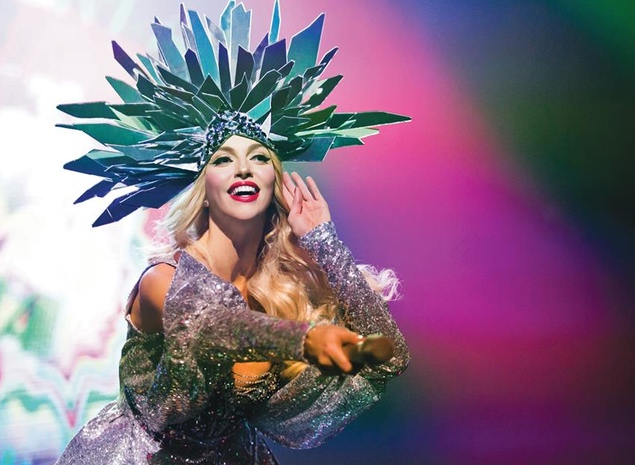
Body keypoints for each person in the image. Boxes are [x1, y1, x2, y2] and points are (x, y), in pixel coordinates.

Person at [55, 2, 411, 463]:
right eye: (224, 159)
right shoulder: (162, 281)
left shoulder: (276, 295)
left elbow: (391, 358)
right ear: (204, 189)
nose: (243, 168)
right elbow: (211, 326)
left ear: (274, 182)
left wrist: (325, 244)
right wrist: (303, 340)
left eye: (259, 157)